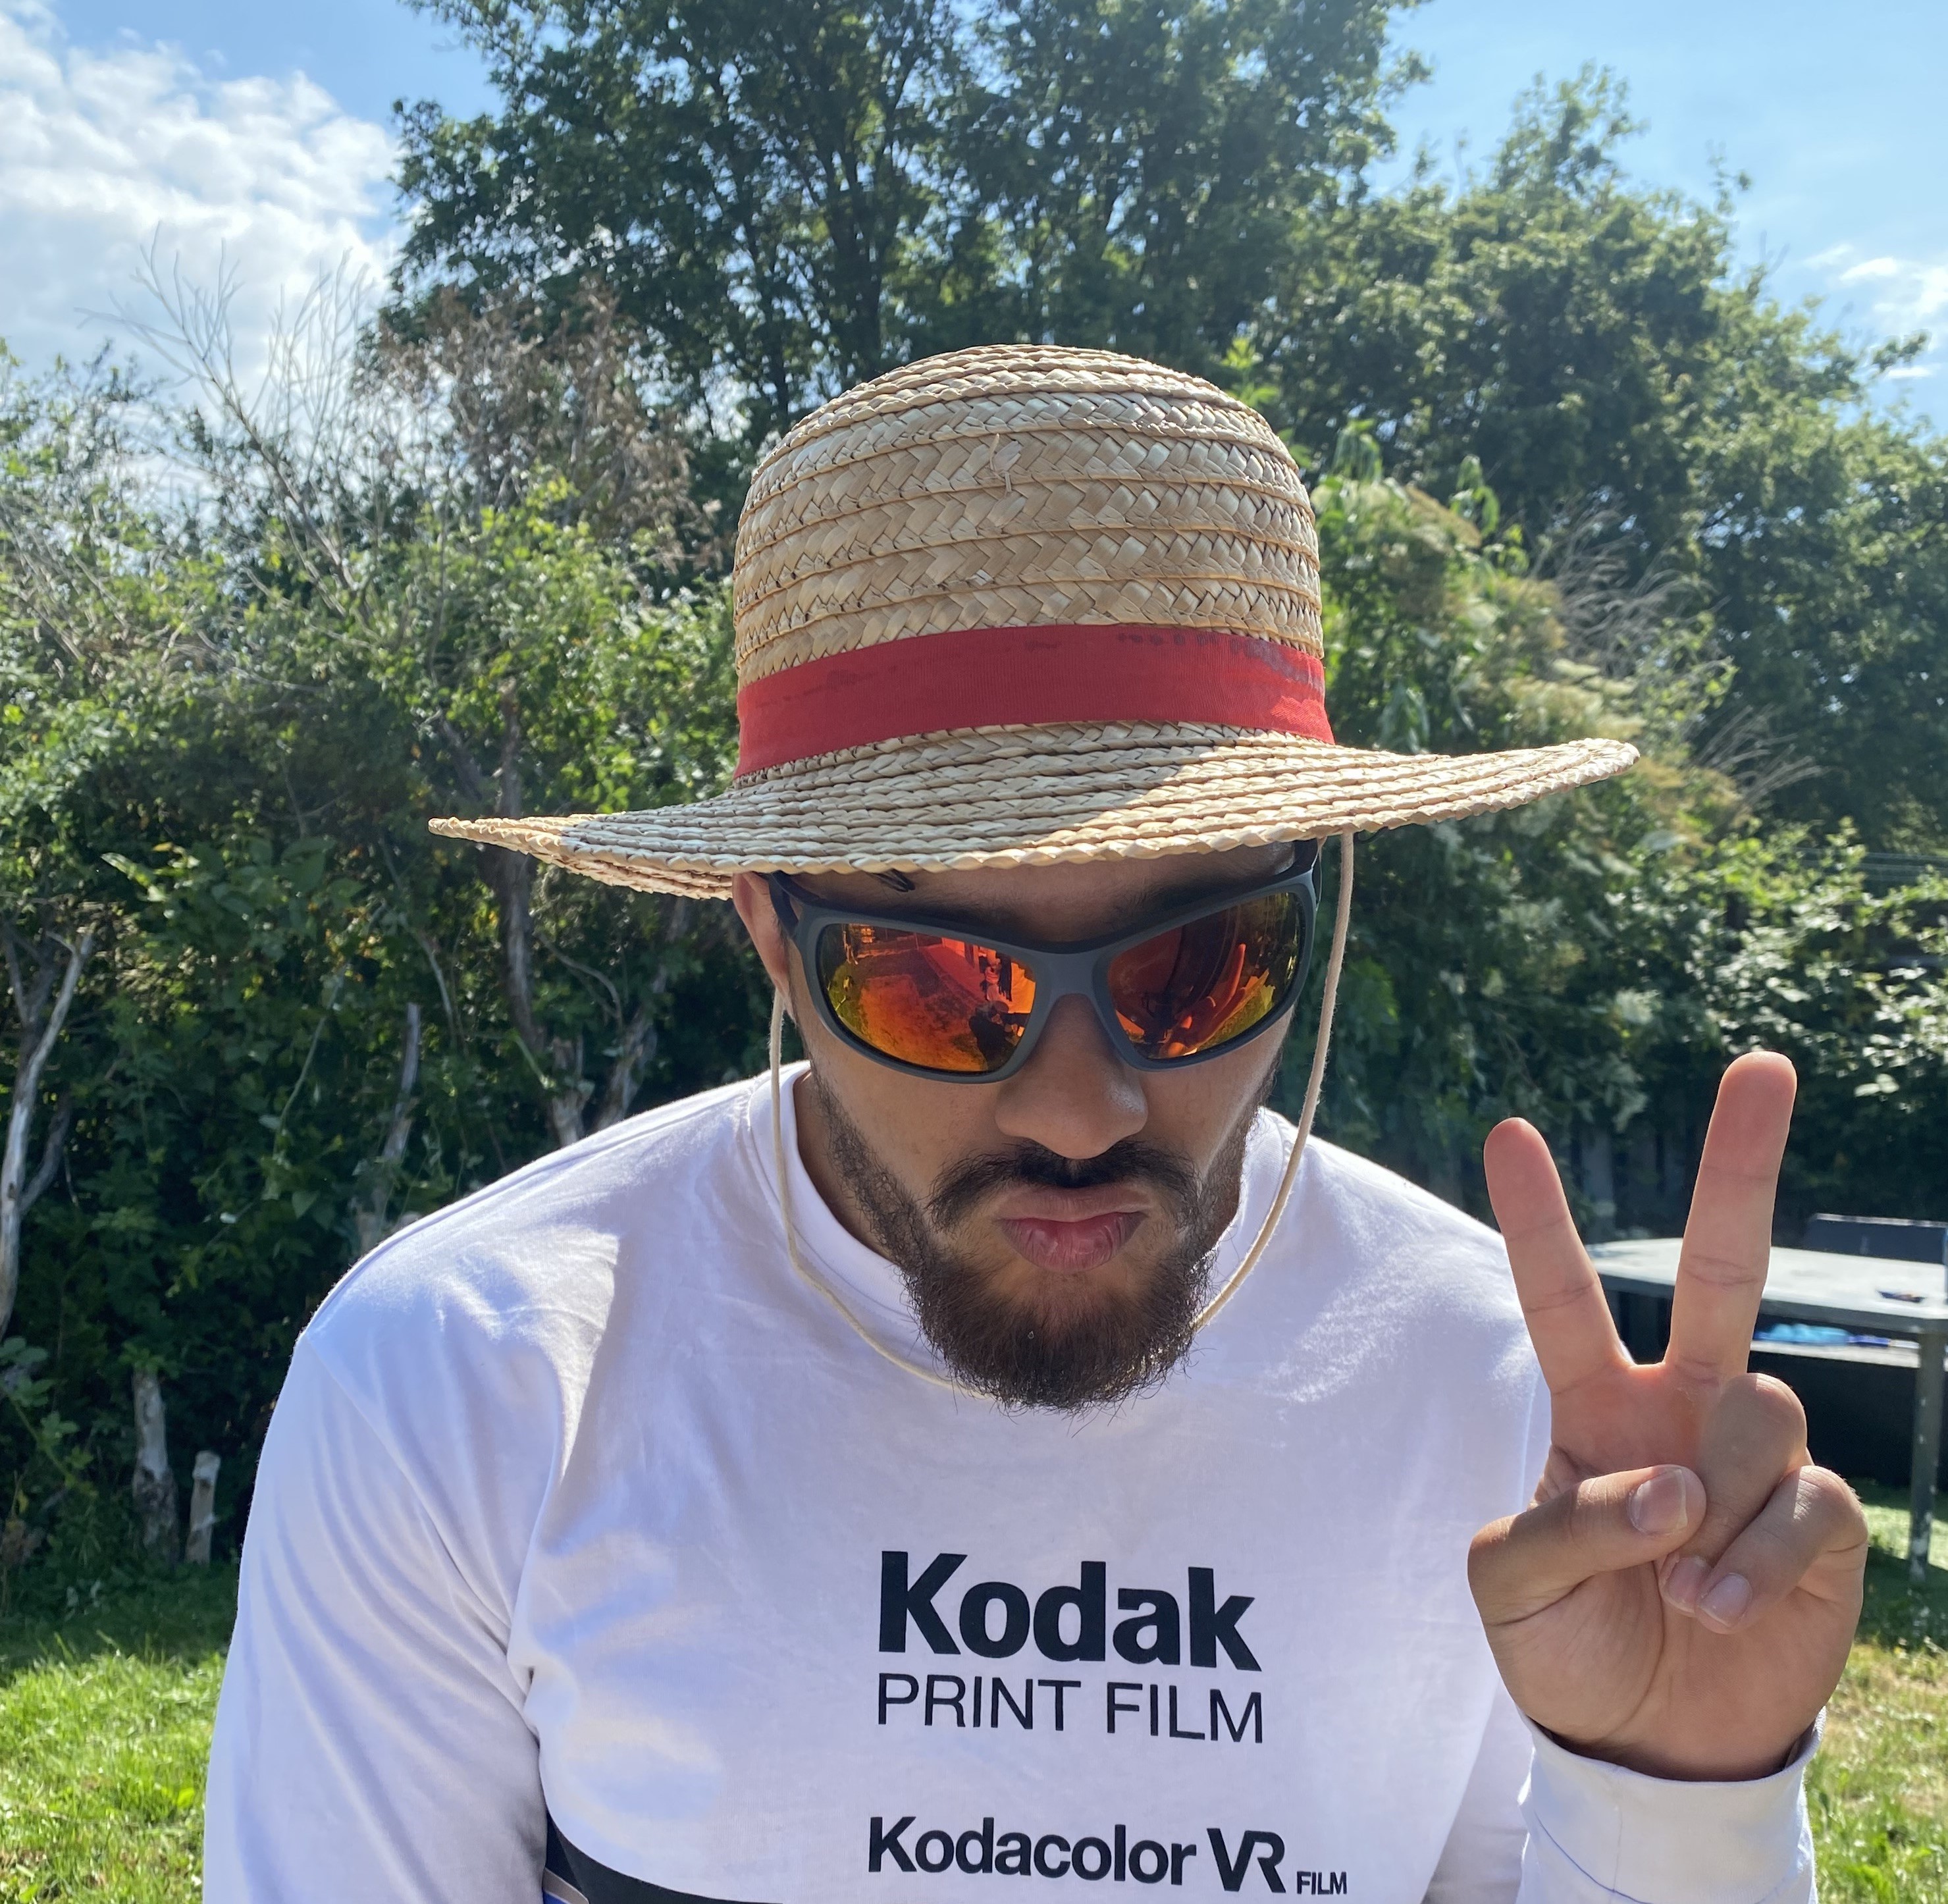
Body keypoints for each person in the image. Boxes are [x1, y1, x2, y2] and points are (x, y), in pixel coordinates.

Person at [204, 348, 1867, 1903]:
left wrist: (1680, 1797)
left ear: (1314, 914)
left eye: (1198, 963)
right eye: (933, 980)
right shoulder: (468, 1378)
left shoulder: (1513, 1408)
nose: (1081, 1110)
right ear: (770, 932)